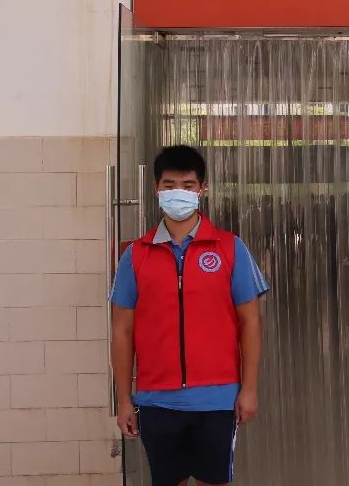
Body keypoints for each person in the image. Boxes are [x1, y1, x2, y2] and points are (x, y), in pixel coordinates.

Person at [110, 145, 270, 486]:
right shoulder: (136, 256)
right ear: (156, 188)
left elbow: (251, 322)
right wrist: (124, 399)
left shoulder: (230, 248)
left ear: (202, 189)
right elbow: (122, 330)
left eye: (187, 184)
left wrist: (250, 388)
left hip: (217, 399)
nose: (178, 192)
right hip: (156, 400)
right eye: (169, 185)